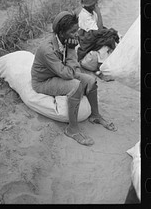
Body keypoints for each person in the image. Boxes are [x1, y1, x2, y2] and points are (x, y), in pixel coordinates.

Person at [31, 11, 117, 146]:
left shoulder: (65, 40)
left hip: (59, 72)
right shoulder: (47, 49)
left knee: (90, 80)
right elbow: (69, 74)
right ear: (61, 32)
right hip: (43, 81)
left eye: (76, 30)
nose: (76, 34)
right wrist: (71, 50)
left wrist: (71, 55)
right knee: (76, 86)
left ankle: (95, 115)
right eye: (72, 32)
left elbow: (72, 69)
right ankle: (72, 129)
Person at [75, 0, 120, 72]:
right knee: (105, 45)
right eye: (95, 4)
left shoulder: (92, 13)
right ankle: (101, 66)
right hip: (87, 41)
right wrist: (99, 14)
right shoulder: (84, 16)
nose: (97, 5)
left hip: (93, 36)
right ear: (91, 5)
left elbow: (99, 30)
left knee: (113, 34)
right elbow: (98, 31)